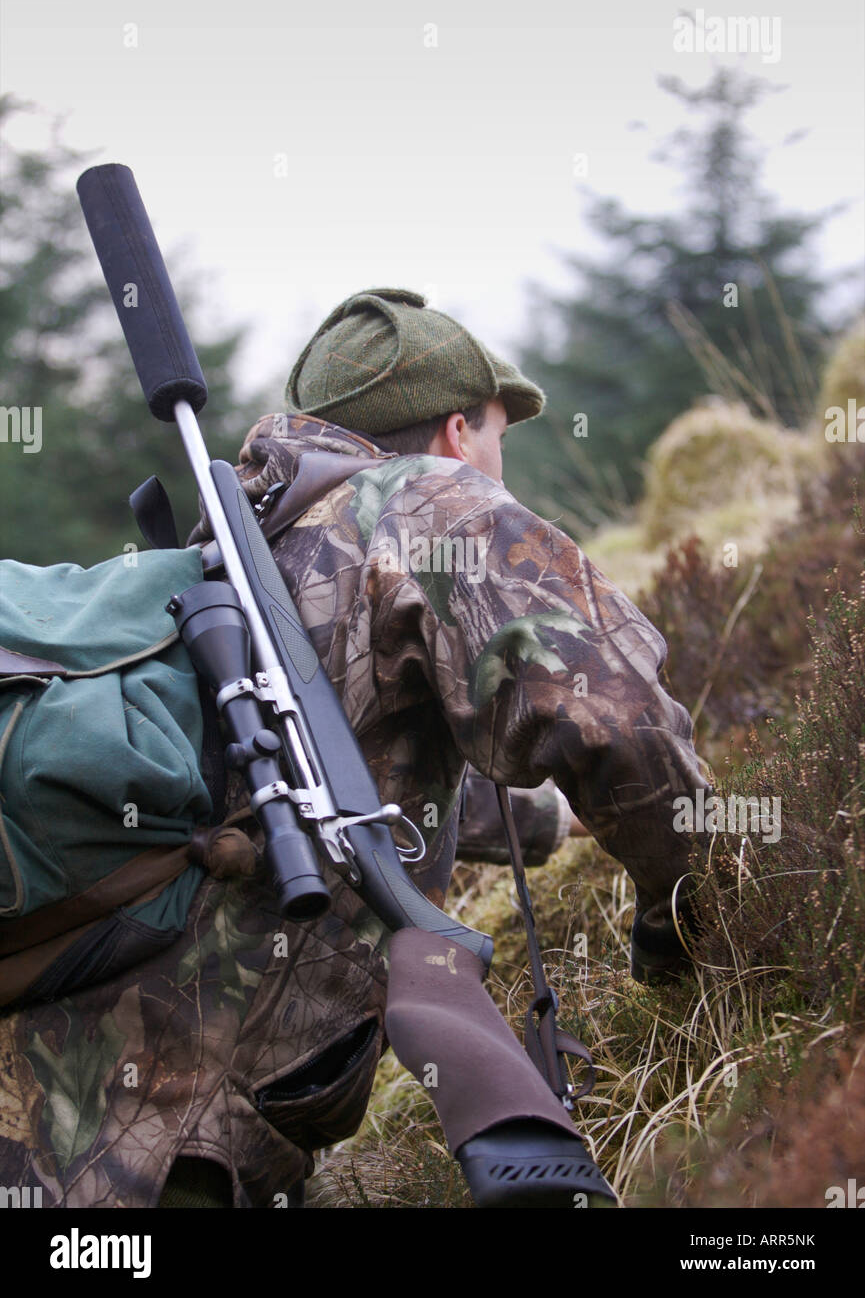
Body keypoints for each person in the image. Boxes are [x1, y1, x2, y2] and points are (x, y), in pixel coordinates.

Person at [0, 287, 710, 1208]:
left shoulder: (239, 561)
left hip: (39, 1130)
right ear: (460, 431)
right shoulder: (437, 505)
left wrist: (538, 819)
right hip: (180, 1144)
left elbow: (328, 774)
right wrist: (687, 922)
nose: (500, 464)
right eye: (500, 434)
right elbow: (619, 725)